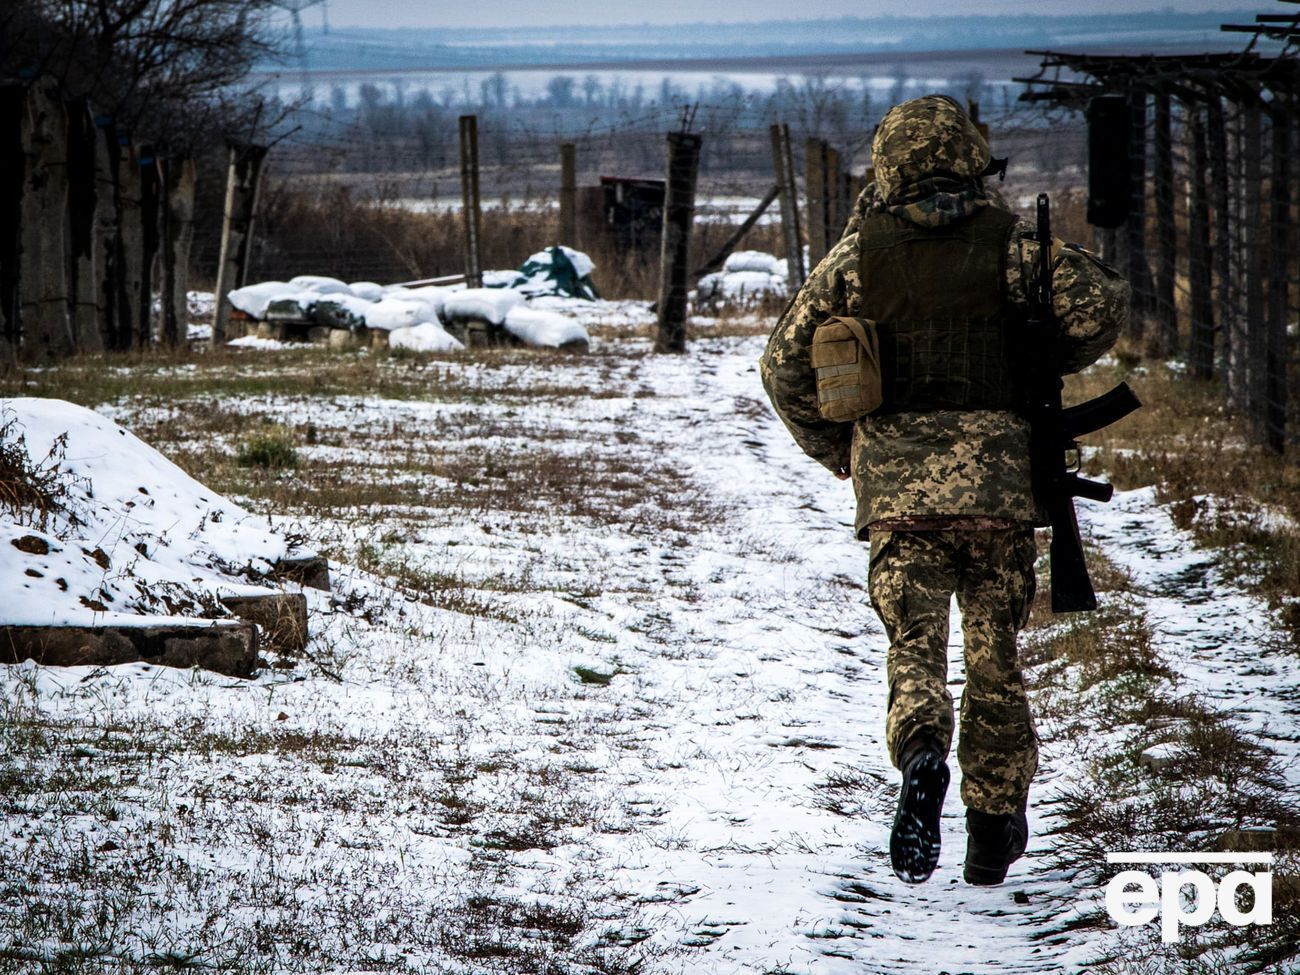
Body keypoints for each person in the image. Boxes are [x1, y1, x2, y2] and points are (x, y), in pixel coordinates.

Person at [759, 94, 1128, 886]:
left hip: (898, 498)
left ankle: (923, 750)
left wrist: (842, 452)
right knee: (995, 658)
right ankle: (992, 828)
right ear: (968, 158)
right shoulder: (1014, 246)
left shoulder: (858, 256)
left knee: (913, 645)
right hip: (999, 491)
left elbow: (782, 365)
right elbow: (1103, 306)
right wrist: (1041, 351)